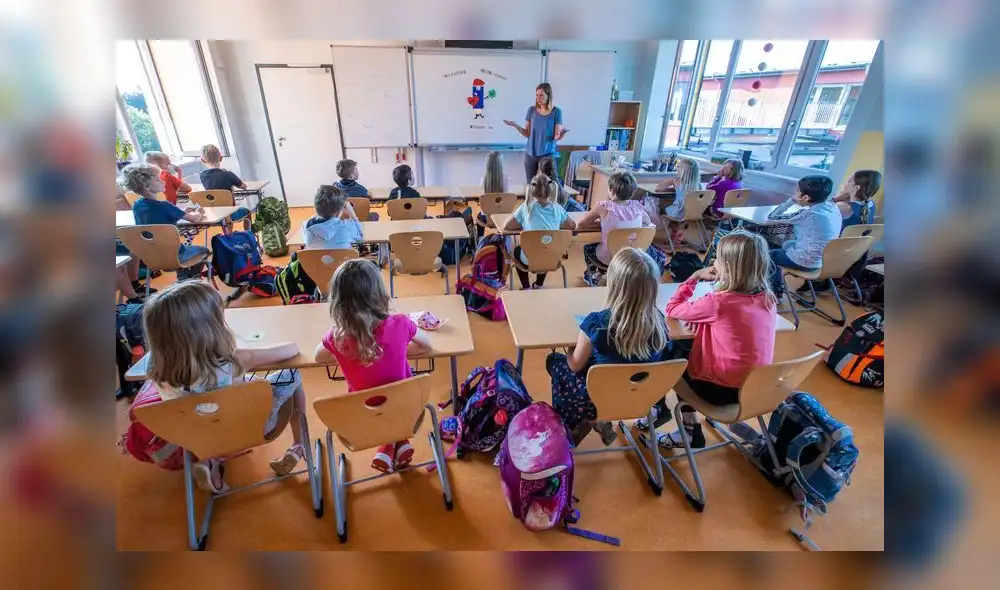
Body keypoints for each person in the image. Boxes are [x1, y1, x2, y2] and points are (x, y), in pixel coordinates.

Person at [142, 281, 310, 493]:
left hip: (193, 435)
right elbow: (291, 350)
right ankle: (299, 445)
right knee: (292, 374)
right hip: (247, 429)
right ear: (210, 327)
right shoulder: (231, 360)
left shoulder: (155, 365)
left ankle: (209, 461)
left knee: (206, 405)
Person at [658, 231, 777, 448]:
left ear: (729, 268)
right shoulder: (768, 298)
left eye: (718, 259)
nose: (714, 262)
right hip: (755, 389)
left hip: (722, 393)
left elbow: (671, 308)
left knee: (671, 355)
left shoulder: (719, 302)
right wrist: (705, 321)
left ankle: (688, 427)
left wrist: (694, 277)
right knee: (687, 345)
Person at [313, 259, 432, 473]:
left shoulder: (336, 338)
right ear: (379, 294)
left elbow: (318, 357)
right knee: (395, 395)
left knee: (378, 403)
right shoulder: (401, 323)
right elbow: (425, 346)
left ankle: (388, 445)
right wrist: (401, 348)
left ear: (337, 302)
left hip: (363, 418)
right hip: (407, 410)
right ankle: (399, 441)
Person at [548, 248, 673, 445]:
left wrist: (570, 348)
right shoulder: (660, 323)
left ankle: (582, 420)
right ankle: (598, 421)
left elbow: (574, 366)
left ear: (613, 285)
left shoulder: (596, 323)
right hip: (642, 398)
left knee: (555, 361)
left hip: (595, 399)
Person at [121, 163, 209, 281]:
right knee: (205, 250)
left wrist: (179, 211)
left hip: (152, 258)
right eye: (158, 180)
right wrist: (200, 212)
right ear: (146, 186)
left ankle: (184, 277)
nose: (162, 181)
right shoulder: (165, 206)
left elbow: (155, 220)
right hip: (177, 255)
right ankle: (190, 278)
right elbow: (194, 219)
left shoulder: (137, 206)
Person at [577, 172, 656, 286]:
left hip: (609, 256)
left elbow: (581, 225)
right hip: (632, 255)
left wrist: (603, 223)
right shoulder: (637, 207)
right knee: (613, 245)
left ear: (611, 190)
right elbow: (647, 223)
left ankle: (594, 275)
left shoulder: (604, 206)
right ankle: (606, 273)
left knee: (588, 248)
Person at [766, 175, 840, 295]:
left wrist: (791, 201)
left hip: (806, 261)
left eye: (797, 191)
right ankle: (779, 277)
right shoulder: (833, 207)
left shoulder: (807, 214)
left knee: (768, 255)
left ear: (805, 197)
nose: (795, 193)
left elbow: (772, 217)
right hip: (822, 260)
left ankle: (774, 291)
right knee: (787, 244)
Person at [501, 173, 576, 289]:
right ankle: (539, 284)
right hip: (552, 258)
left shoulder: (526, 207)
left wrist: (523, 225)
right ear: (551, 189)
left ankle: (526, 286)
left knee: (517, 251)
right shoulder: (557, 208)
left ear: (532, 189)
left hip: (529, 260)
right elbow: (572, 225)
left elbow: (506, 225)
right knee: (547, 244)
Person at [503, 83, 570, 182]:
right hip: (531, 154)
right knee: (531, 184)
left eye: (541, 95)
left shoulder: (556, 112)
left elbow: (556, 137)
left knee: (549, 184)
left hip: (547, 154)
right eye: (537, 95)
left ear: (548, 96)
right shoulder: (531, 110)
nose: (538, 98)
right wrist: (515, 125)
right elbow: (527, 133)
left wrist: (562, 134)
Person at [647, 157, 701, 244]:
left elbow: (658, 188)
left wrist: (672, 180)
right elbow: (681, 191)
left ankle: (675, 231)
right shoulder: (698, 185)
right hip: (692, 213)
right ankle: (679, 230)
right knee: (672, 211)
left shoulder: (678, 182)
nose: (677, 168)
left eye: (679, 167)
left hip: (678, 213)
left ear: (683, 171)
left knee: (662, 209)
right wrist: (673, 189)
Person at [301, 185, 363, 250]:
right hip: (343, 259)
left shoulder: (306, 227)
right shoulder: (345, 227)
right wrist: (353, 215)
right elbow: (360, 236)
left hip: (315, 260)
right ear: (339, 212)